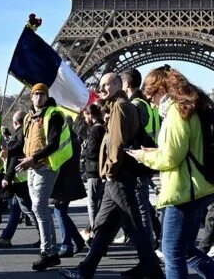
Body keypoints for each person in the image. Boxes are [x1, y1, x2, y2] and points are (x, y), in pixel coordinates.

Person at [59, 72, 162, 279]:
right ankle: (85, 269)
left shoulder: (120, 107)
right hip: (117, 176)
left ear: (118, 84)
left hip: (118, 176)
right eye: (101, 85)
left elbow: (116, 142)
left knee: (134, 226)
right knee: (105, 226)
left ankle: (153, 269)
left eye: (106, 84)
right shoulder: (122, 105)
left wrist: (110, 171)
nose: (102, 88)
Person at [130, 66, 214, 279]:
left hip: (183, 190)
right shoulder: (190, 105)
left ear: (161, 89)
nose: (152, 103)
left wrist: (143, 156)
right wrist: (156, 151)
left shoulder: (175, 110)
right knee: (187, 250)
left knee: (172, 252)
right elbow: (185, 148)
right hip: (198, 186)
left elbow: (171, 158)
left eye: (151, 96)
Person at [17, 83, 73, 271]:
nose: (39, 97)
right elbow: (24, 143)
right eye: (35, 94)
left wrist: (32, 158)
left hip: (46, 167)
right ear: (31, 97)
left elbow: (54, 143)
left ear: (46, 96)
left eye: (42, 94)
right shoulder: (30, 118)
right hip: (33, 167)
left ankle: (47, 252)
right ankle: (51, 253)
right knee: (39, 209)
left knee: (39, 208)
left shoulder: (53, 114)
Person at [120, 67, 161, 247]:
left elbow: (132, 132)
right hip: (148, 155)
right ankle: (151, 236)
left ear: (127, 84)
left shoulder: (135, 104)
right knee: (140, 203)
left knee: (141, 205)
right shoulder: (145, 103)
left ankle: (148, 245)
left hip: (139, 157)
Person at [0, 111, 38, 249]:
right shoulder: (27, 134)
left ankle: (46, 236)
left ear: (15, 122)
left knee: (29, 209)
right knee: (16, 210)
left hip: (19, 178)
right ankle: (6, 237)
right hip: (22, 177)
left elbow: (13, 160)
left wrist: (7, 177)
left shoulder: (17, 136)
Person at [52, 106, 88, 258]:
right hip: (71, 178)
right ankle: (76, 241)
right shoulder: (74, 137)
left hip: (63, 179)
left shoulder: (64, 138)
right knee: (61, 211)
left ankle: (67, 244)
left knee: (59, 210)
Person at [80, 105, 106, 236]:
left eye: (85, 117)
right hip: (101, 171)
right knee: (99, 202)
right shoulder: (103, 127)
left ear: (90, 115)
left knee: (92, 204)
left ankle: (95, 233)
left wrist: (84, 151)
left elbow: (93, 152)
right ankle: (92, 230)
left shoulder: (95, 130)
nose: (85, 120)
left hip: (94, 171)